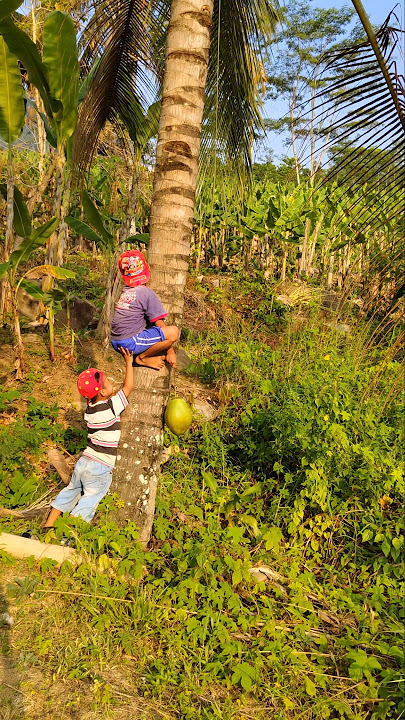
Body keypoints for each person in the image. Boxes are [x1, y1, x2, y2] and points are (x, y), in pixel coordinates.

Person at [42, 348, 134, 528]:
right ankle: (69, 532)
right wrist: (128, 361)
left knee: (70, 491)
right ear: (102, 393)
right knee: (90, 498)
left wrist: (106, 391)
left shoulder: (90, 410)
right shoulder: (111, 407)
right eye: (107, 384)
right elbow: (128, 387)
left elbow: (105, 394)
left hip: (84, 463)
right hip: (99, 466)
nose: (111, 385)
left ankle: (48, 525)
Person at [110, 249, 179, 370]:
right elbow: (160, 324)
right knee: (173, 332)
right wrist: (170, 351)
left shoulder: (126, 291)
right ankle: (142, 358)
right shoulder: (146, 292)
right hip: (129, 342)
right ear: (147, 269)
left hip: (115, 341)